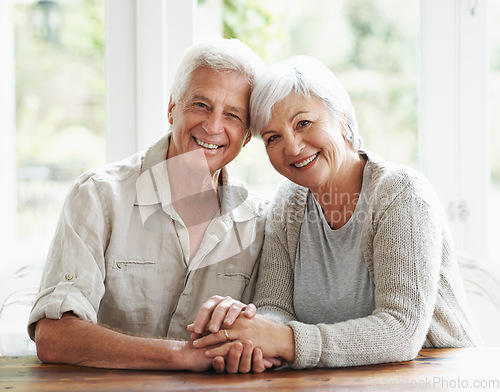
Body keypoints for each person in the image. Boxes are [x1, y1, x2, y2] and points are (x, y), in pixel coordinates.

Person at [188, 55, 482, 370]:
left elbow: (402, 331)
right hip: (339, 380)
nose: (293, 147)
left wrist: (284, 341)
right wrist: (251, 333)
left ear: (341, 117)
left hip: (437, 374)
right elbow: (276, 307)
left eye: (303, 123)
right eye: (273, 138)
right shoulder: (288, 204)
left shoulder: (401, 193)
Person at [27, 37, 272, 372]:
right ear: (172, 107)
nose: (213, 126)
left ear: (246, 135)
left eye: (232, 114)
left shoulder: (259, 221)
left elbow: (270, 331)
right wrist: (181, 355)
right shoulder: (98, 195)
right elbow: (53, 336)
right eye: (200, 105)